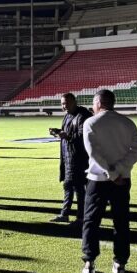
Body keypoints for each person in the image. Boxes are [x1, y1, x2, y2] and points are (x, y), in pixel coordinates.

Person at [80, 89, 137, 273]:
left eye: (93, 103)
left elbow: (94, 153)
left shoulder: (91, 122)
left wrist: (110, 172)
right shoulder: (127, 122)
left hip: (98, 180)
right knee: (121, 221)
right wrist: (119, 170)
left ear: (98, 103)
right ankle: (120, 264)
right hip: (122, 180)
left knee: (91, 222)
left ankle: (89, 262)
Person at [49, 93, 92, 224]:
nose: (64, 106)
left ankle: (81, 217)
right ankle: (65, 214)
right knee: (67, 186)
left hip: (79, 159)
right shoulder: (67, 116)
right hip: (68, 158)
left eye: (67, 103)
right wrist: (58, 132)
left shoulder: (83, 116)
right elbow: (67, 134)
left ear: (74, 102)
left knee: (79, 188)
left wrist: (66, 136)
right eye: (62, 103)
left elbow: (82, 137)